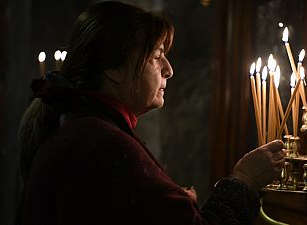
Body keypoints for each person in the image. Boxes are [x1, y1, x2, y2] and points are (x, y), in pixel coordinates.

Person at [15, 1, 286, 225]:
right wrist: (245, 181)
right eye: (157, 56)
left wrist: (166, 202)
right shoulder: (104, 144)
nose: (169, 69)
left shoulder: (81, 129)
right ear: (113, 68)